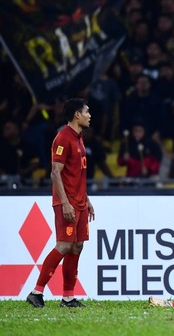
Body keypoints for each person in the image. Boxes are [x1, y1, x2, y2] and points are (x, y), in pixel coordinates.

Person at [26, 98, 95, 308]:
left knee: (77, 246)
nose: (89, 115)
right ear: (76, 115)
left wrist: (87, 199)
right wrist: (65, 203)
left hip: (80, 201)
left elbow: (77, 174)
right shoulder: (63, 137)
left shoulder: (79, 138)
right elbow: (55, 172)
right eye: (87, 111)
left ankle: (67, 297)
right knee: (64, 245)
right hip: (68, 201)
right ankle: (36, 292)